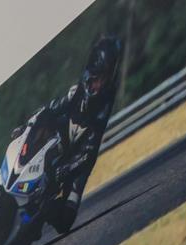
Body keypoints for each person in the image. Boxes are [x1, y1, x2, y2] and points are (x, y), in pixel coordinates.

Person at [25, 34, 125, 234]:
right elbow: (55, 106)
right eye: (98, 78)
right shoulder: (80, 86)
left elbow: (90, 149)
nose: (100, 84)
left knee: (65, 221)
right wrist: (30, 125)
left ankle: (42, 213)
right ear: (92, 70)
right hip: (64, 134)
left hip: (82, 153)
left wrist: (70, 167)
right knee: (41, 126)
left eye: (105, 78)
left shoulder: (106, 99)